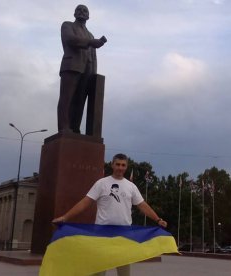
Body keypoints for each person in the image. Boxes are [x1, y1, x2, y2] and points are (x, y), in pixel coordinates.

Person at [52, 153, 167, 276]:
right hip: (102, 233)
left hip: (124, 234)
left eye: (123, 165)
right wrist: (65, 217)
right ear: (112, 165)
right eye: (117, 164)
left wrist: (157, 219)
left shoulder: (131, 187)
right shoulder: (101, 183)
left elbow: (142, 205)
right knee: (98, 271)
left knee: (124, 272)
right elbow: (85, 203)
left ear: (126, 167)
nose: (120, 168)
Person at [57, 4, 107, 134]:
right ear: (74, 14)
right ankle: (64, 127)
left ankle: (75, 128)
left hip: (87, 71)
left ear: (88, 16)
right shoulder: (67, 25)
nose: (82, 12)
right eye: (79, 10)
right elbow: (70, 40)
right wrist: (91, 42)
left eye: (85, 11)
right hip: (72, 66)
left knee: (80, 101)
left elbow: (93, 56)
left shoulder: (90, 35)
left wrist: (93, 74)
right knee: (67, 98)